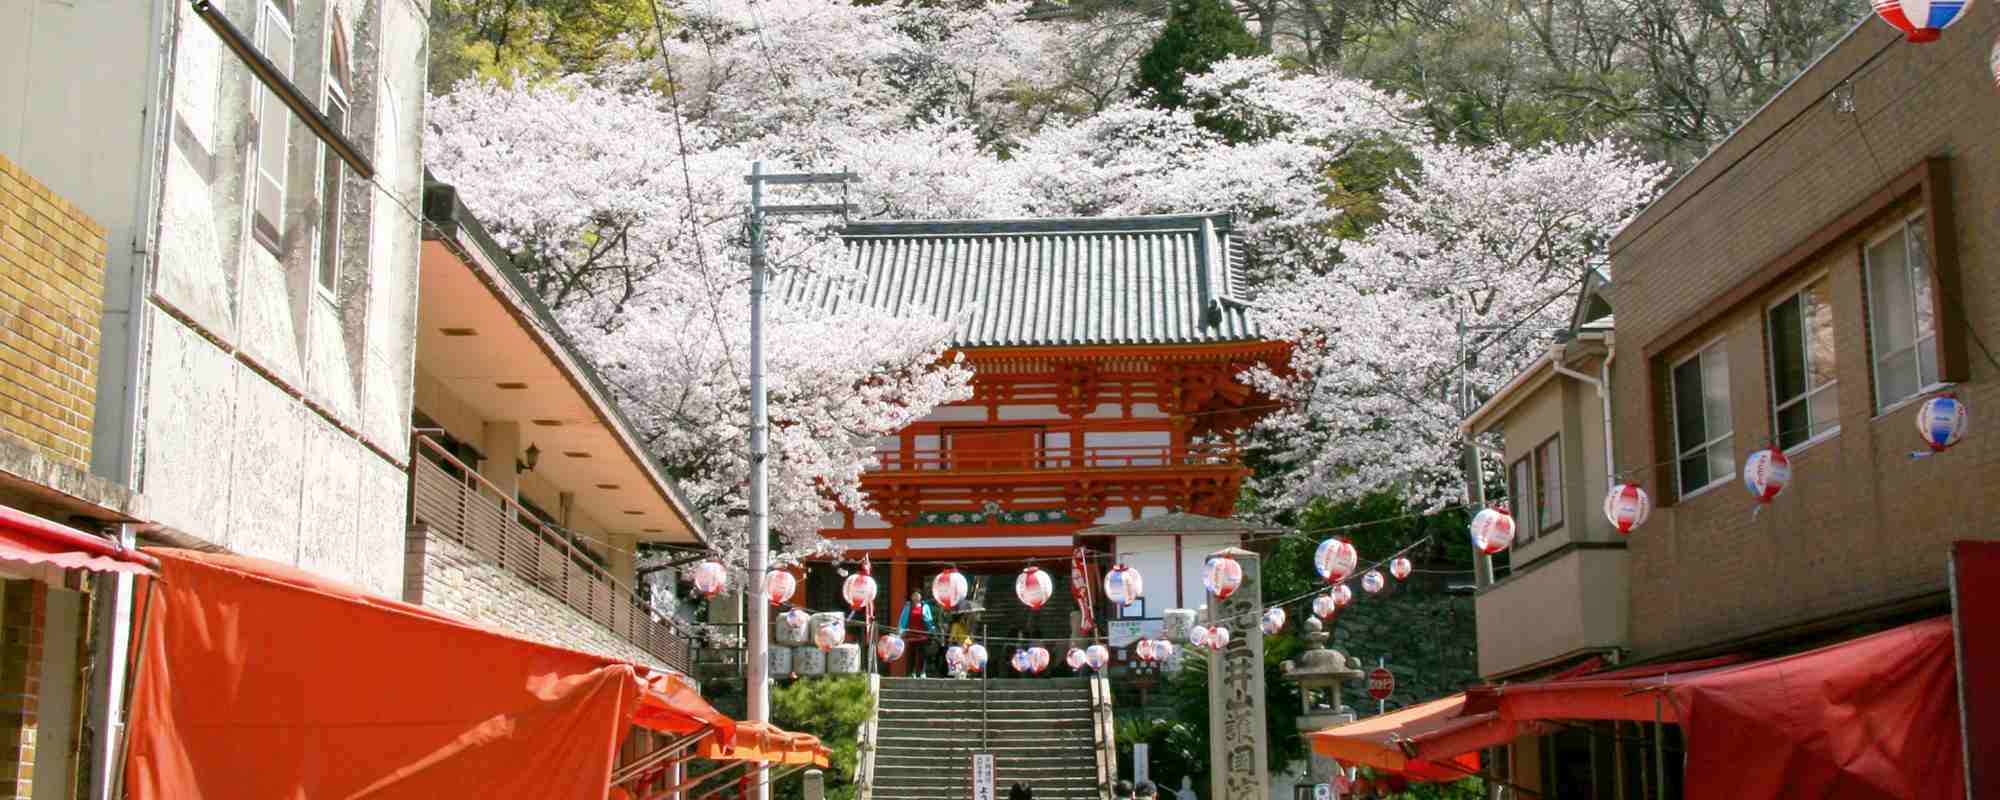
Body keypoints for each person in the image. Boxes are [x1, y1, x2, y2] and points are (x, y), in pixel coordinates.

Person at [896, 590, 937, 677]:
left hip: (923, 634)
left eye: (917, 595)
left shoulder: (925, 606)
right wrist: (901, 631)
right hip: (911, 634)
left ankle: (922, 672)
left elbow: (930, 619)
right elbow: (902, 619)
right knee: (911, 654)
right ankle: (912, 672)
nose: (916, 597)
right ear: (911, 597)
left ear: (920, 597)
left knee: (922, 654)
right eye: (914, 595)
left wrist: (932, 629)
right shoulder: (908, 607)